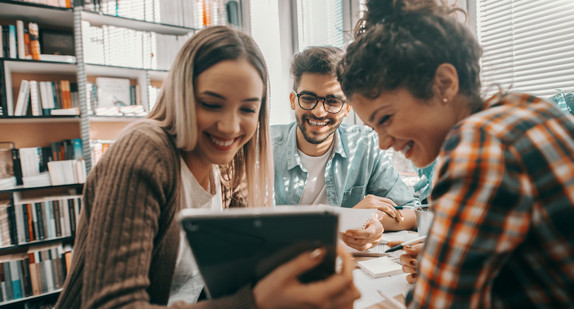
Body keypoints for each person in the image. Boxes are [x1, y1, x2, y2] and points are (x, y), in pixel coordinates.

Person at [56, 26, 360, 309]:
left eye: (247, 109)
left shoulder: (228, 168)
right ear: (182, 98)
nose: (230, 127)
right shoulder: (146, 150)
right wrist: (255, 302)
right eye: (211, 104)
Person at [338, 0, 574, 307]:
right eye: (373, 128)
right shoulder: (529, 110)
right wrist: (447, 257)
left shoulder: (481, 143)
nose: (382, 142)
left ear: (444, 84)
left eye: (385, 119)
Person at [272, 46, 419, 251]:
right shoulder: (264, 148)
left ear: (347, 108)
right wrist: (345, 219)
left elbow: (411, 212)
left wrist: (373, 220)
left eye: (332, 101)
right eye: (308, 98)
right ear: (293, 101)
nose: (319, 111)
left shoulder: (365, 144)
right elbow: (258, 228)